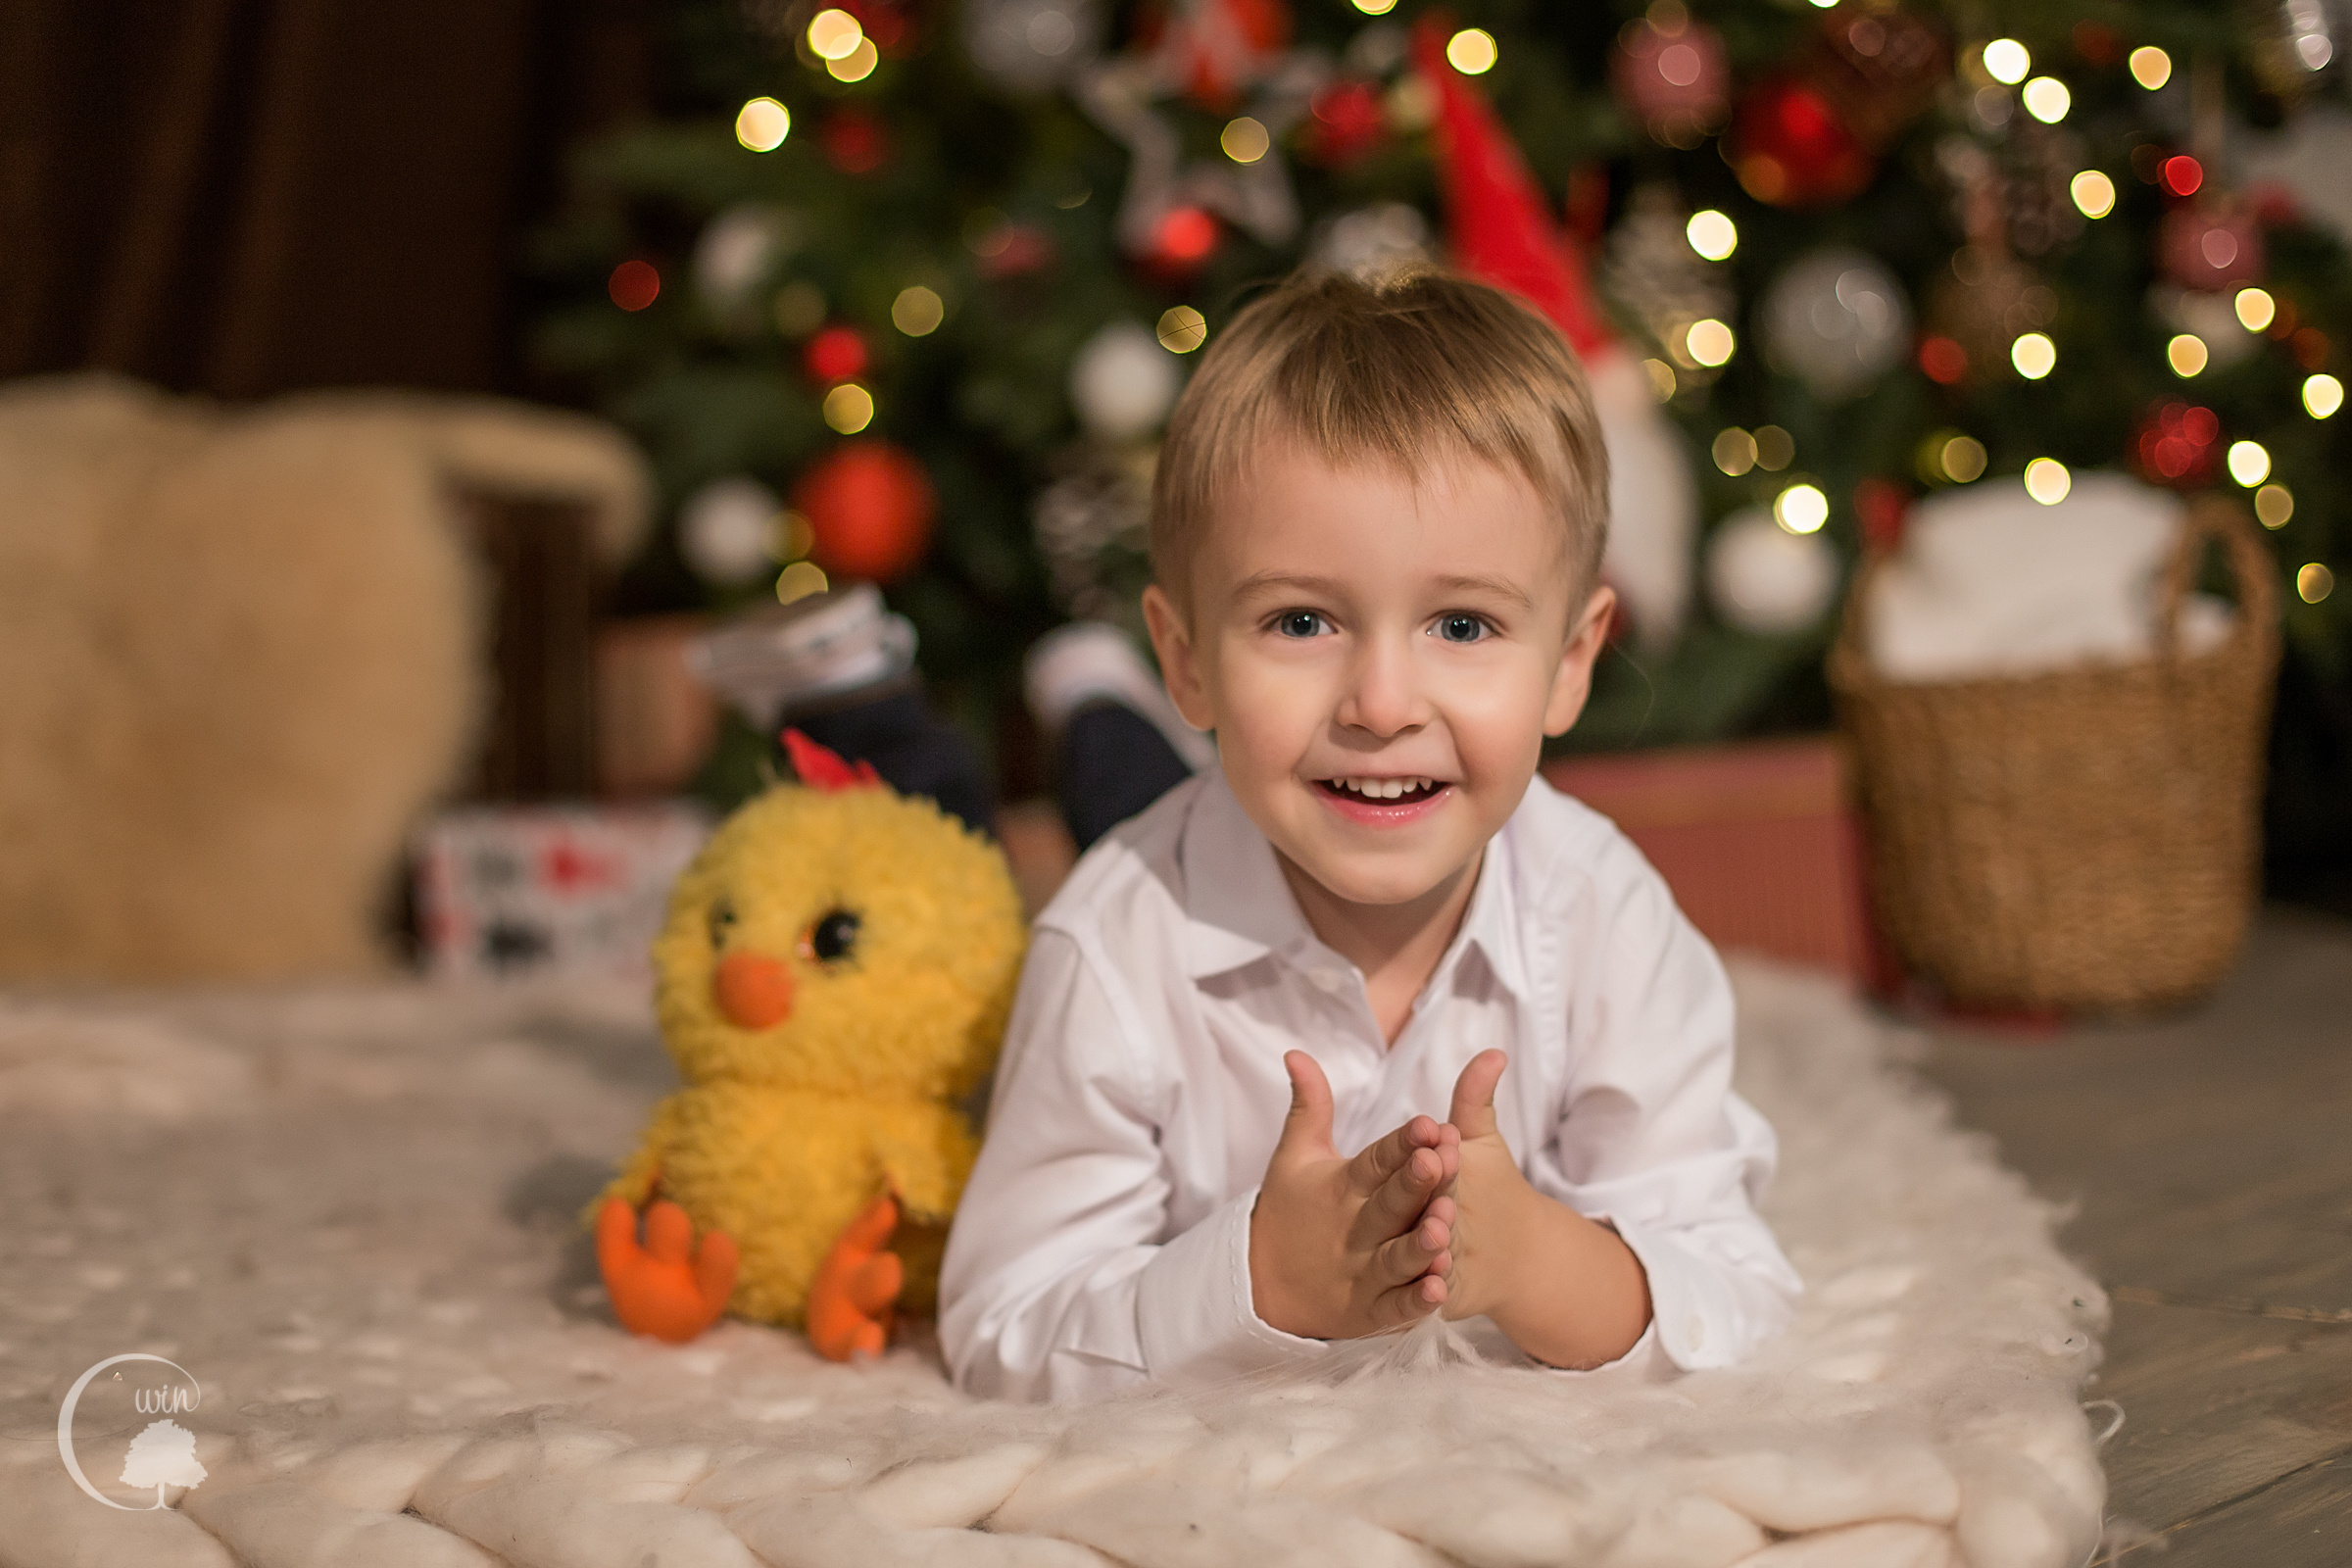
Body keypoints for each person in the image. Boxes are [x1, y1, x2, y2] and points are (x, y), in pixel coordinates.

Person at [939, 268, 1799, 1402]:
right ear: (1189, 654)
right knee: (1131, 806)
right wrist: (1256, 1280)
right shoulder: (1109, 949)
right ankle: (1100, 708)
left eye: (1462, 623)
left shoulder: (1608, 919)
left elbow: (1736, 1288)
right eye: (1301, 620)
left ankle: (1108, 712)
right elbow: (1004, 1321)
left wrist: (1543, 1262)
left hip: (1257, 782)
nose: (1384, 702)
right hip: (1184, 828)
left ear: (1574, 658)